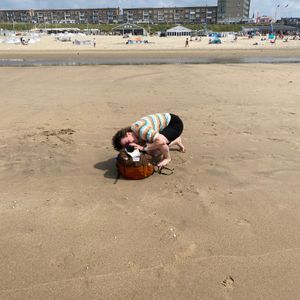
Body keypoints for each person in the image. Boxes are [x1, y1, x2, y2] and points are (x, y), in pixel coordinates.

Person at [112, 113, 185, 167]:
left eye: (127, 142)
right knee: (153, 151)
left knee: (158, 148)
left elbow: (161, 142)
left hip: (173, 123)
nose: (130, 144)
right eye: (126, 145)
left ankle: (167, 157)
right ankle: (174, 140)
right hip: (162, 126)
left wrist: (144, 148)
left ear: (128, 134)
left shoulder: (142, 131)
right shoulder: (135, 133)